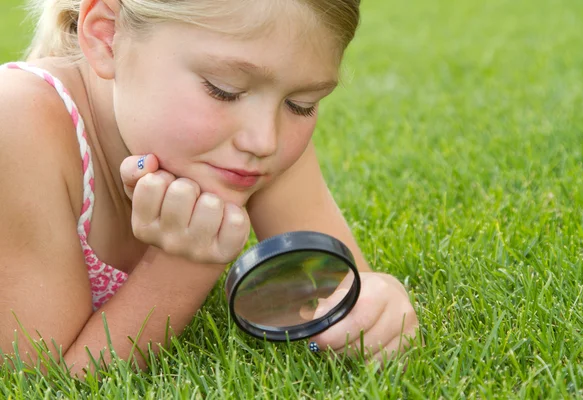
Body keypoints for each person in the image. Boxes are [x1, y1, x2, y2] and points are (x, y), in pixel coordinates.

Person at [0, 0, 418, 376]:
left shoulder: (259, 145)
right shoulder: (18, 122)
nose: (264, 140)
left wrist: (377, 303)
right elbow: (46, 380)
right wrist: (186, 263)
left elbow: (335, 293)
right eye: (225, 90)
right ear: (109, 37)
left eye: (302, 104)